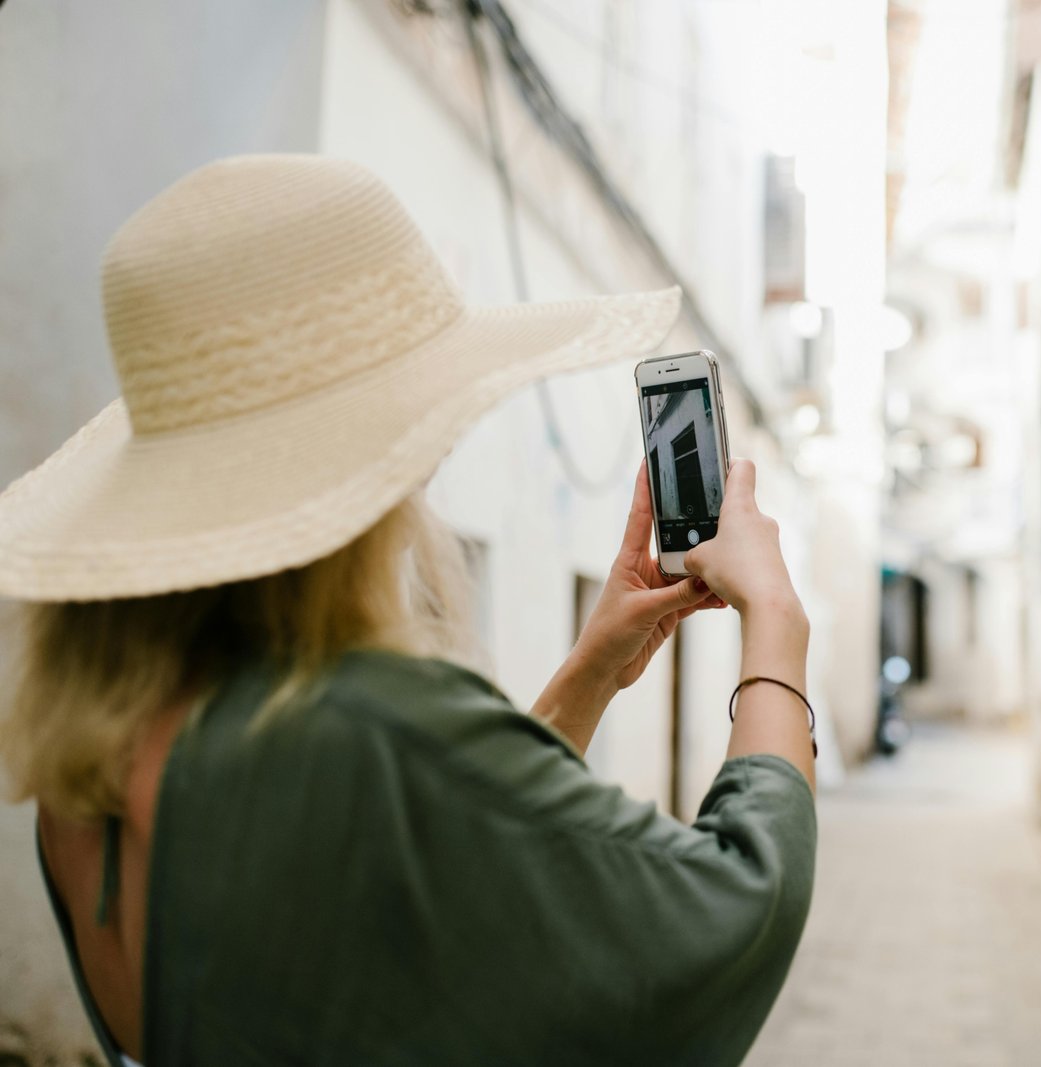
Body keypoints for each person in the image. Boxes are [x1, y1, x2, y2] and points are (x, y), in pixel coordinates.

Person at [0, 155, 817, 1066]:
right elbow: (737, 907)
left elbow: (447, 849)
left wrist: (590, 670)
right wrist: (776, 625)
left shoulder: (91, 763)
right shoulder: (364, 728)